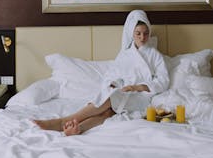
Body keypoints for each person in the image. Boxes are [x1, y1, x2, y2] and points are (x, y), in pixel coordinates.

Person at [34, 10, 169, 136]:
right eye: (138, 33)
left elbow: (163, 81)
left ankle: (65, 121)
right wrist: (113, 84)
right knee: (107, 113)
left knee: (110, 99)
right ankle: (79, 129)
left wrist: (138, 87)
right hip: (123, 91)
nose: (142, 37)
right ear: (131, 34)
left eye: (145, 33)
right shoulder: (124, 55)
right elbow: (112, 76)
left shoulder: (155, 56)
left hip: (141, 97)